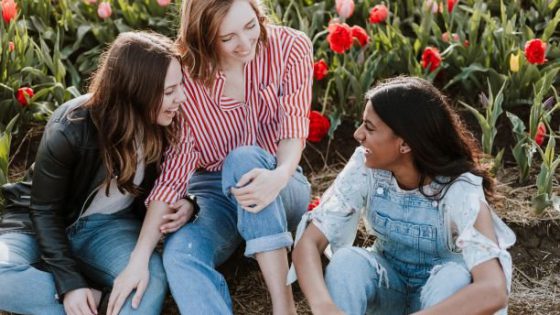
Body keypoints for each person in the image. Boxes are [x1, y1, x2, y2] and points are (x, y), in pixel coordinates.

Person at [108, 0, 313, 314]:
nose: (245, 44)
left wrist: (279, 175)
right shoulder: (186, 78)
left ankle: (284, 307)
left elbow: (294, 128)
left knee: (243, 160)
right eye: (227, 37)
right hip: (214, 193)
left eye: (250, 26)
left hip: (280, 181)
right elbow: (175, 173)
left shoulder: (290, 47)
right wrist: (139, 257)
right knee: (180, 254)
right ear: (203, 36)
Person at [0, 31, 194, 315]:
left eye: (180, 86)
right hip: (35, 223)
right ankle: (94, 301)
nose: (182, 97)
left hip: (107, 228)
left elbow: (182, 173)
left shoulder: (169, 123)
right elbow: (43, 210)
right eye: (168, 91)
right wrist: (70, 284)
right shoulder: (71, 127)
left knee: (148, 281)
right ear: (135, 92)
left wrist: (189, 200)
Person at [291, 76, 516, 315]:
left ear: (405, 144)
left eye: (369, 128)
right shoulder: (365, 168)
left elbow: (493, 290)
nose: (358, 134)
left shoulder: (460, 190)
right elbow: (308, 244)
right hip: (389, 287)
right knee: (347, 261)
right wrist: (324, 306)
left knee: (454, 276)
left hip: (440, 303)